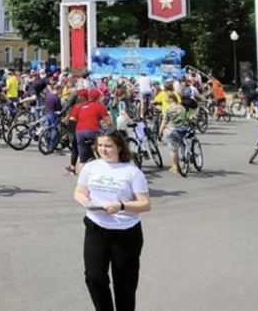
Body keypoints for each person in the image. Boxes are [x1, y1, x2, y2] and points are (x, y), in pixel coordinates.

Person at [73, 130, 151, 311]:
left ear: (119, 147)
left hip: (126, 233)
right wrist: (83, 200)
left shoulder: (132, 171)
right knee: (94, 277)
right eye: (100, 145)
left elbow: (145, 204)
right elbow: (79, 191)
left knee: (124, 283)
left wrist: (121, 206)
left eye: (108, 146)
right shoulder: (91, 167)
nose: (103, 149)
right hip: (96, 228)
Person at [71, 90, 113, 173]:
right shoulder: (99, 105)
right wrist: (113, 130)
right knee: (106, 143)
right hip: (93, 130)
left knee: (82, 160)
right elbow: (108, 121)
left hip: (79, 132)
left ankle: (81, 180)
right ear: (98, 98)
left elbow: (73, 119)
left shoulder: (81, 106)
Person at [157, 91, 189, 173]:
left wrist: (160, 131)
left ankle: (175, 166)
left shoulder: (169, 109)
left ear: (171, 98)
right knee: (182, 144)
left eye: (166, 98)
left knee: (173, 149)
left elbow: (164, 121)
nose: (165, 99)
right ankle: (185, 161)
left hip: (172, 129)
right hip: (182, 129)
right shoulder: (182, 108)